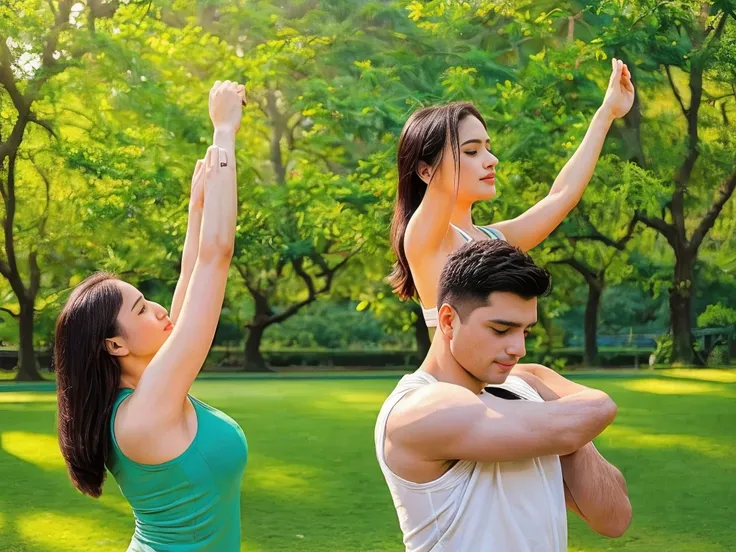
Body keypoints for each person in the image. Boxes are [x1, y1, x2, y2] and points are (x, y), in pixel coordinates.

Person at [55, 80, 246, 551]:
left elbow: (190, 272)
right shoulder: (146, 412)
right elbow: (214, 258)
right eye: (141, 308)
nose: (159, 309)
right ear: (115, 345)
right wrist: (224, 131)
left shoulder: (148, 390)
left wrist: (196, 207)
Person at [374, 239, 632, 551]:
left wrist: (570, 431)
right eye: (500, 330)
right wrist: (567, 422)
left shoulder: (526, 382)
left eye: (526, 332)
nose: (518, 350)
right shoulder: (421, 409)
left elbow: (613, 519)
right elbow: (599, 408)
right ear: (448, 321)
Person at [389, 58, 635, 339]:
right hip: (451, 383)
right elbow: (438, 184)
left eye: (488, 148)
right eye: (471, 151)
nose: (491, 160)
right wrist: (442, 129)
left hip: (491, 379)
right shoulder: (426, 240)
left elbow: (562, 195)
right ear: (426, 170)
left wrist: (606, 113)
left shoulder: (494, 240)